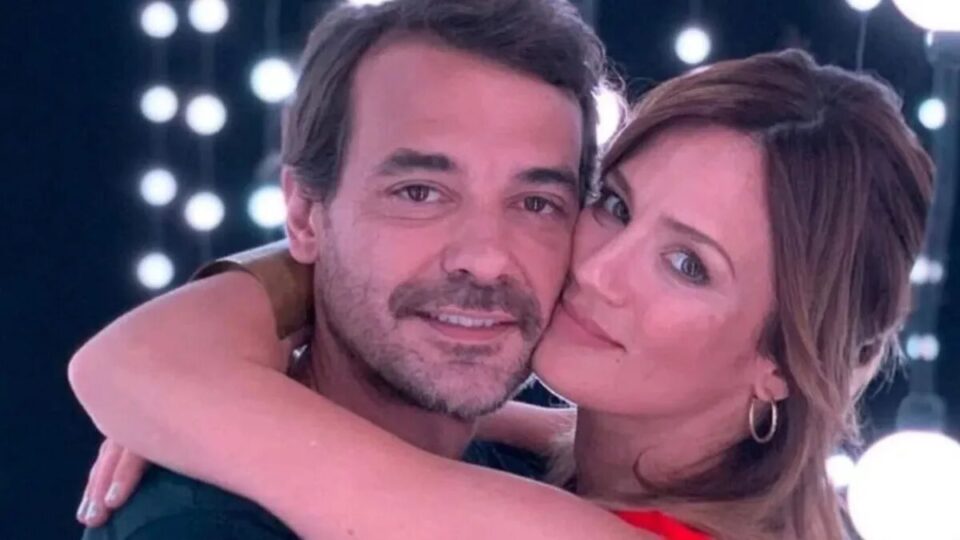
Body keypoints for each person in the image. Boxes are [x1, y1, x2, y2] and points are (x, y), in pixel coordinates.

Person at [72, 48, 933, 539]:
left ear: (782, 361)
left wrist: (321, 261)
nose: (598, 270)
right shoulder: (583, 466)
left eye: (688, 265)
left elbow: (124, 366)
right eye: (614, 205)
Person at [70, 0, 608, 538]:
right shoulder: (198, 525)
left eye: (537, 203)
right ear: (304, 215)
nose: (487, 261)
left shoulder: (559, 480)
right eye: (419, 193)